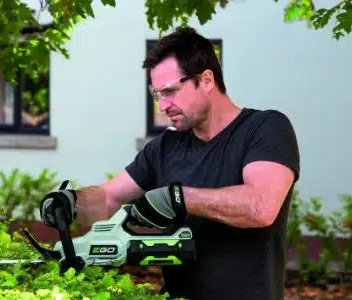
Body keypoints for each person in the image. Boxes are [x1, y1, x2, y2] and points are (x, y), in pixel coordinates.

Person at [40, 26, 300, 300]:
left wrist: (178, 198)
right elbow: (108, 198)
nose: (163, 106)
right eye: (157, 95)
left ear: (207, 80)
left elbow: (261, 207)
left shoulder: (265, 129)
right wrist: (70, 201)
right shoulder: (165, 147)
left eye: (170, 92)